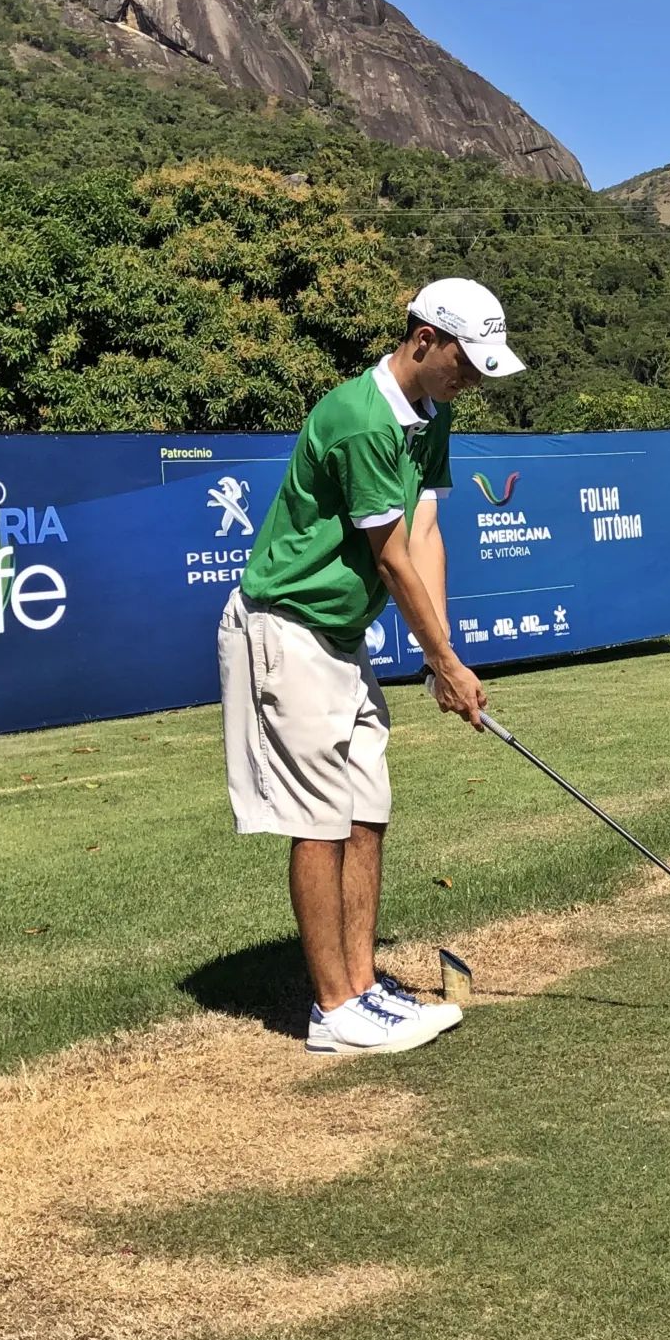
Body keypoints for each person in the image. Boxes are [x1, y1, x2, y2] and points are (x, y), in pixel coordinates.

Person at [219, 278, 521, 1053]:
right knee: (318, 818)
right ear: (423, 336)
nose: (473, 378)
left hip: (343, 638)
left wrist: (443, 657)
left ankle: (360, 986)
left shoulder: (433, 415)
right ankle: (333, 1009)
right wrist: (443, 662)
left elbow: (424, 532)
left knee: (366, 807)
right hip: (288, 628)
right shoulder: (359, 419)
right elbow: (389, 558)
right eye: (465, 359)